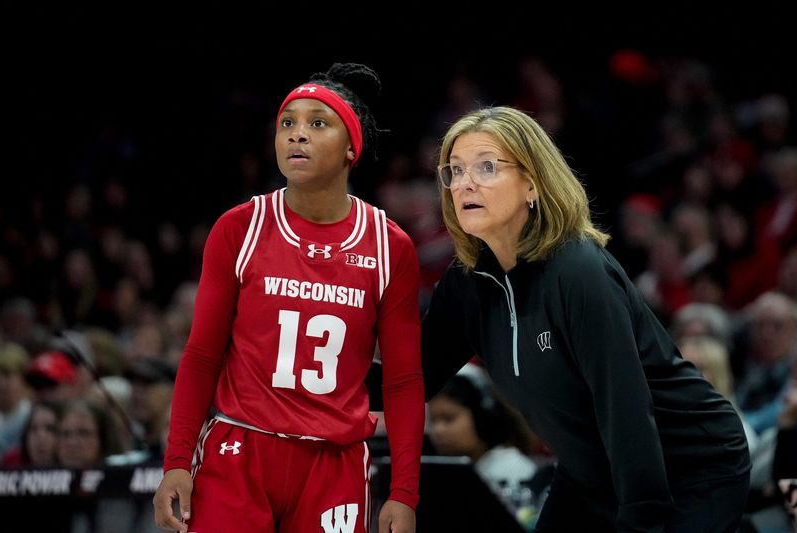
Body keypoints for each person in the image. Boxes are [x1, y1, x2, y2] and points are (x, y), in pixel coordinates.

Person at [421, 105, 751, 532]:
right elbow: (409, 379)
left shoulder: (577, 270)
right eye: (455, 170)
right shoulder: (467, 283)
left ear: (532, 185)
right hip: (590, 469)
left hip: (688, 467)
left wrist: (642, 521)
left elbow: (626, 408)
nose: (465, 182)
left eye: (486, 167)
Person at [153, 63, 425, 533]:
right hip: (240, 449)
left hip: (334, 463)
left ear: (350, 149)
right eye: (288, 123)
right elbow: (201, 355)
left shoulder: (389, 245)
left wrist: (404, 492)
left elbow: (402, 381)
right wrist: (177, 460)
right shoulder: (239, 227)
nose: (297, 134)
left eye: (317, 123)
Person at [427, 363, 549, 530]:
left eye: (448, 419)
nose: (438, 431)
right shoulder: (458, 472)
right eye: (433, 421)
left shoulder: (510, 469)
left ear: (482, 417)